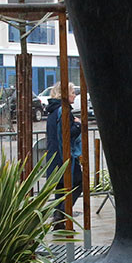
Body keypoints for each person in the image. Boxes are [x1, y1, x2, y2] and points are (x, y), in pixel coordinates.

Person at [44, 81, 83, 226]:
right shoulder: (63, 111)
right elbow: (66, 134)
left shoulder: (53, 111)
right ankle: (60, 214)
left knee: (61, 189)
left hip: (54, 156)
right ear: (65, 94)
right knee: (77, 183)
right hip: (64, 157)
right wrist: (78, 124)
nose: (75, 95)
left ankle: (59, 222)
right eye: (72, 92)